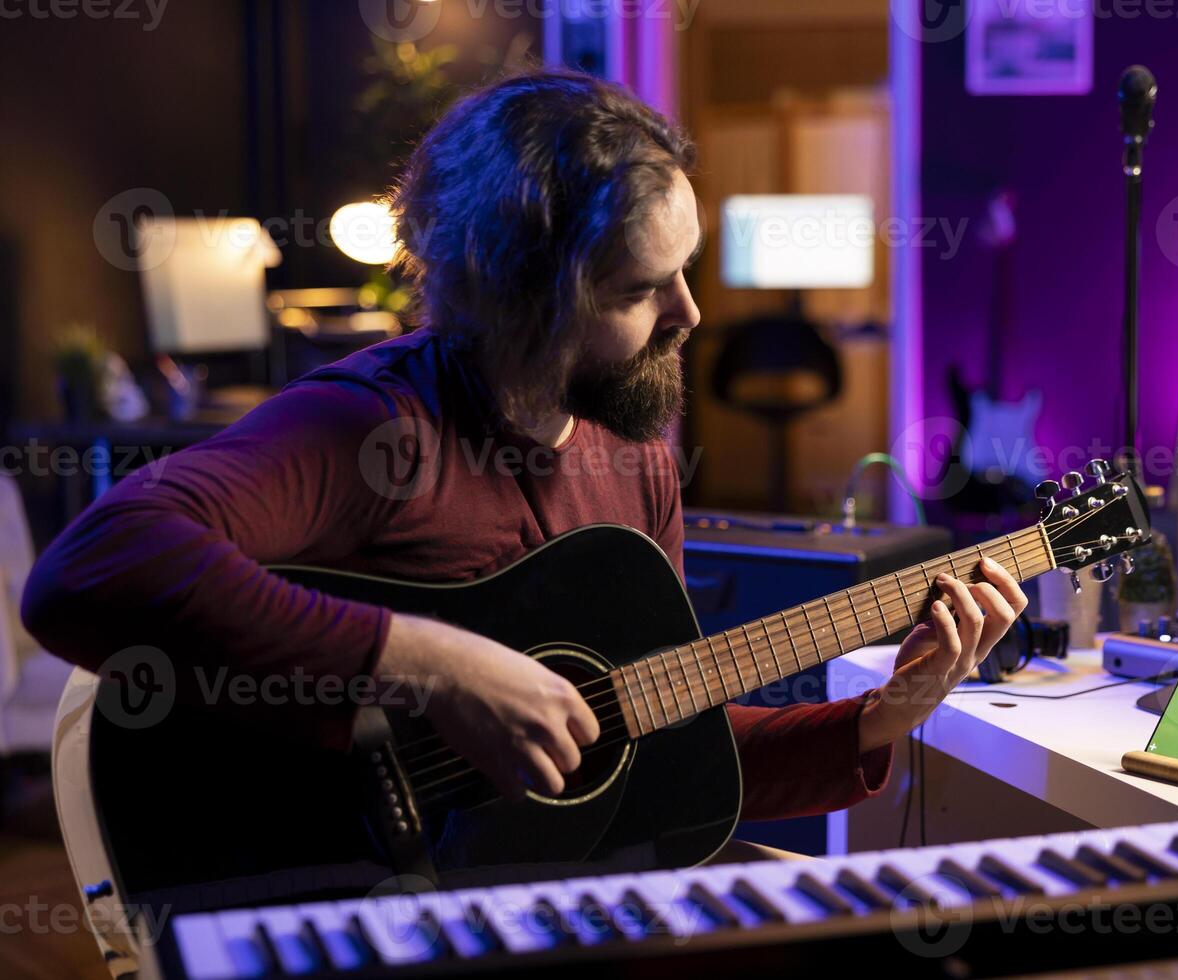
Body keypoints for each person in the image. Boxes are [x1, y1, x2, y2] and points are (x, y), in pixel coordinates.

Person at [22, 69, 1026, 843]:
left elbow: (656, 747)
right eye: (641, 290)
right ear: (522, 298)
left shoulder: (634, 457)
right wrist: (432, 663)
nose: (691, 313)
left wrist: (883, 714)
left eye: (686, 272)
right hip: (345, 897)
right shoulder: (371, 429)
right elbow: (90, 567)